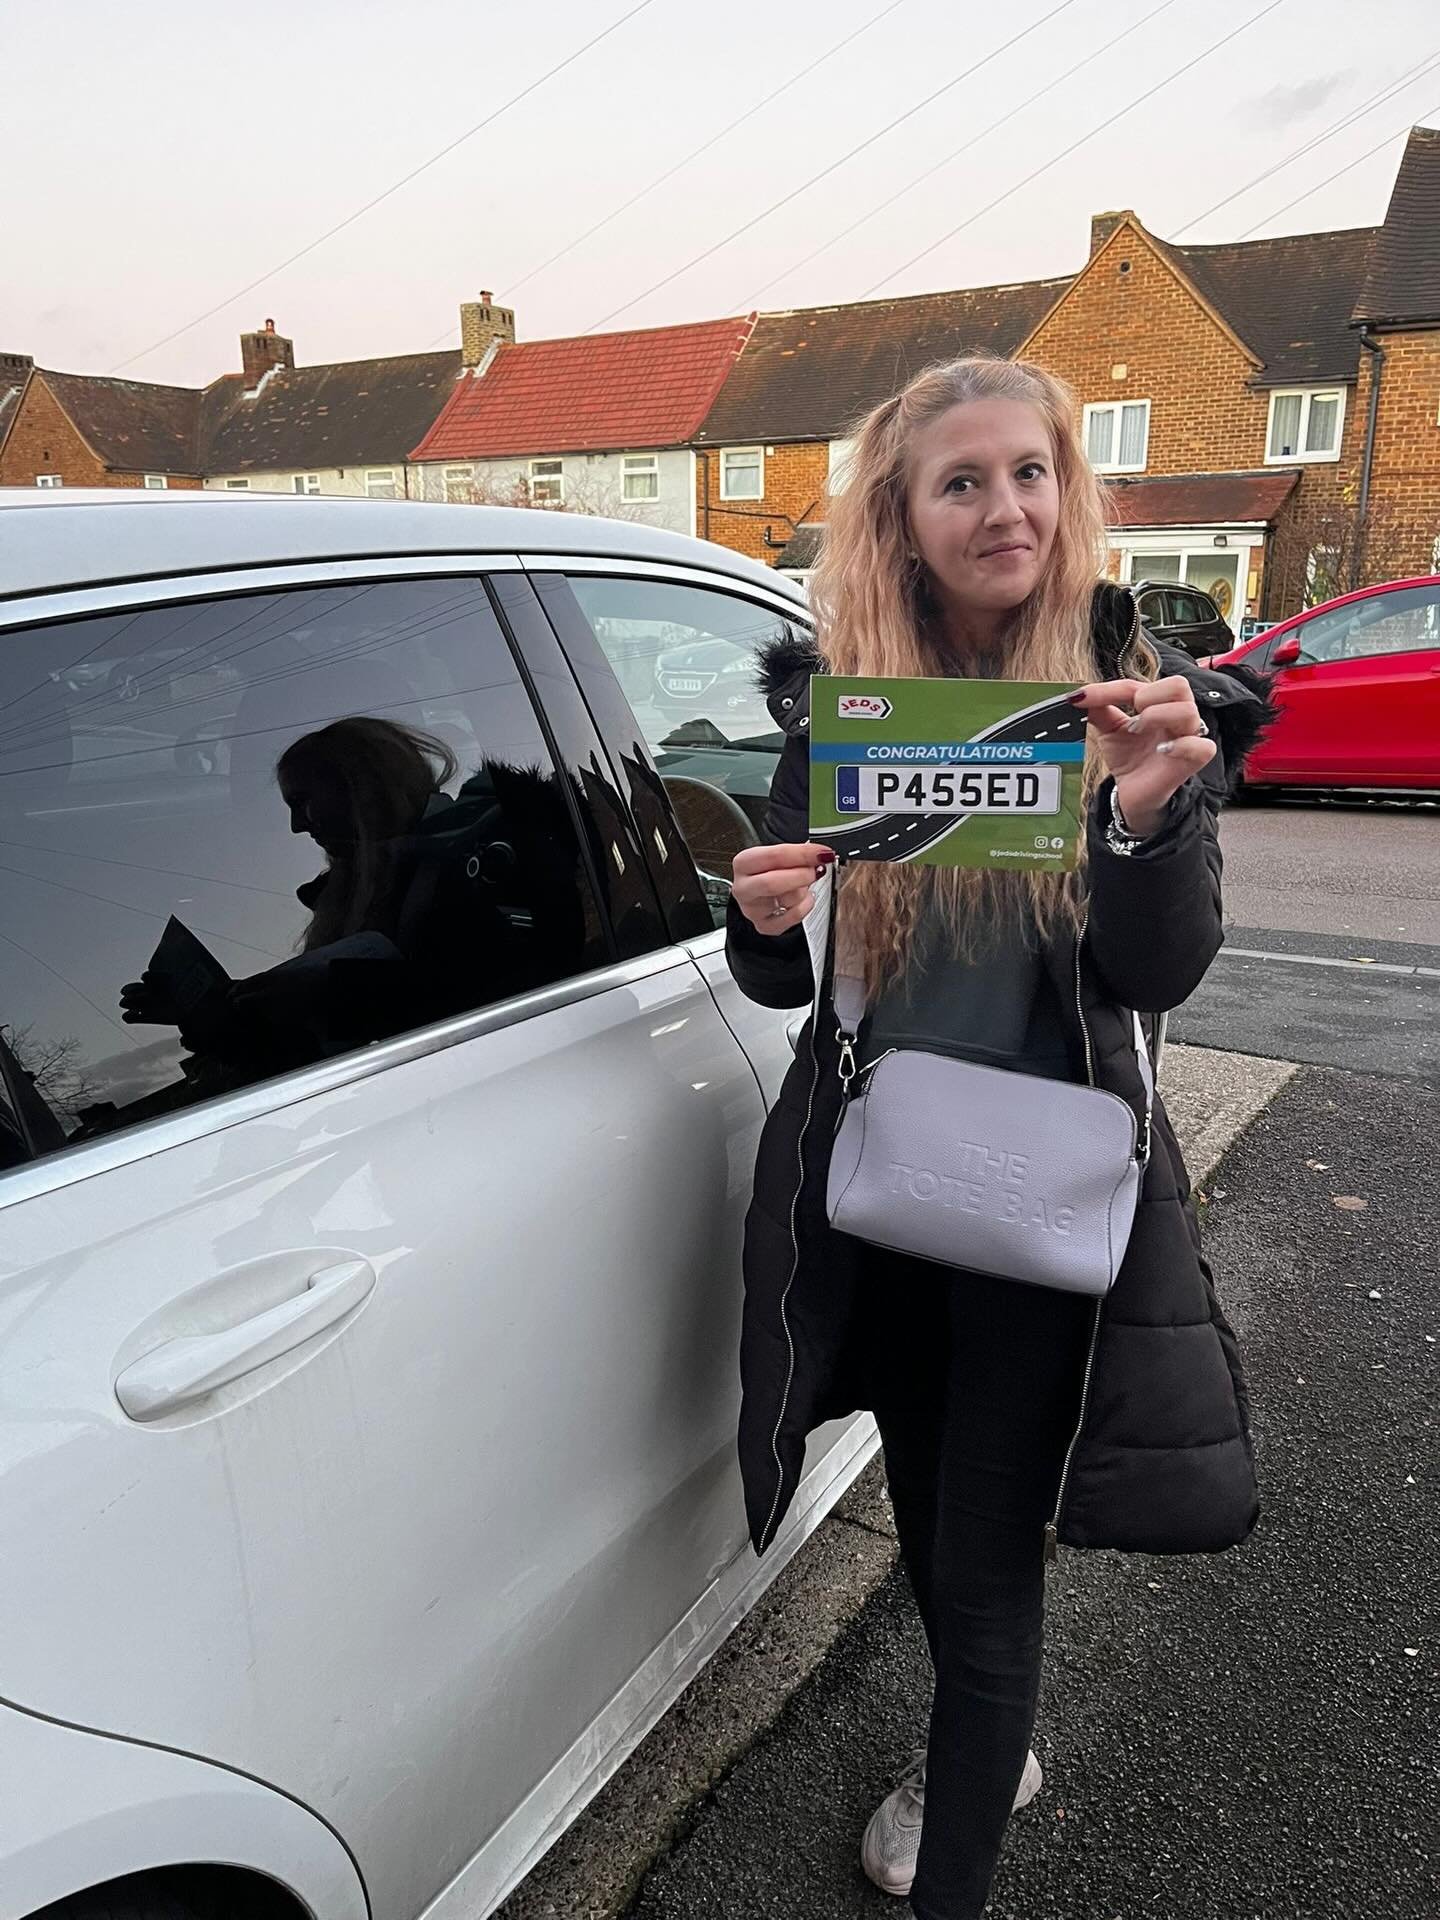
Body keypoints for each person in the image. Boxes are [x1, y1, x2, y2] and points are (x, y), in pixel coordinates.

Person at [725, 356, 1272, 1920]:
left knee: (981, 1567)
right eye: (961, 481)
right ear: (901, 518)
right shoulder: (843, 706)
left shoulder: (1125, 690)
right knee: (930, 1508)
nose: (1003, 507)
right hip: (888, 1191)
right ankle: (987, 1737)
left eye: (1029, 473)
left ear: (1066, 489)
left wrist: (1149, 815)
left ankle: (958, 1853)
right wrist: (762, 923)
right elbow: (791, 974)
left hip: (1040, 1197)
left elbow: (1161, 974)